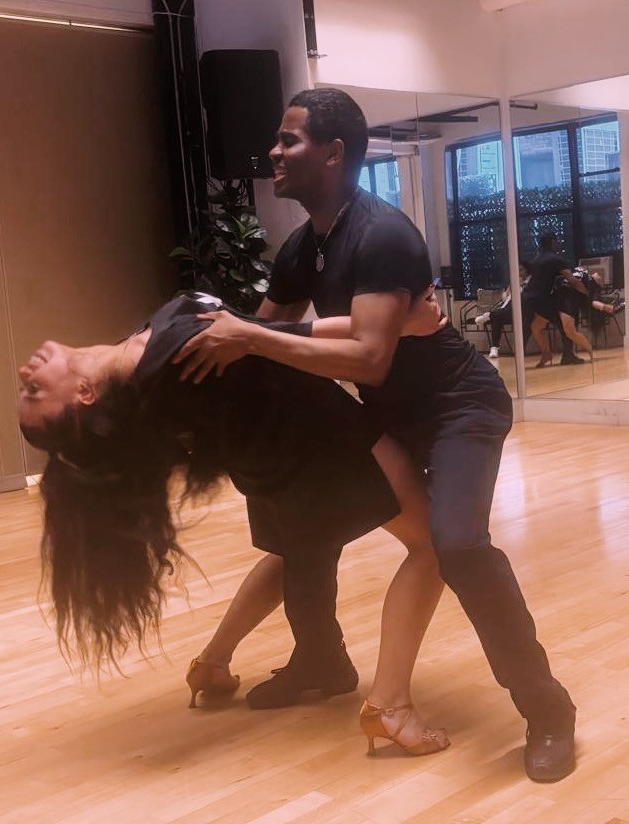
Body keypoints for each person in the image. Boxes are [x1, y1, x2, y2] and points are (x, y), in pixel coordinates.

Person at [173, 88, 576, 782]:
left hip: (457, 407)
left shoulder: (382, 235)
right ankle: (317, 664)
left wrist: (255, 337)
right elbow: (262, 336)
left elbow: (365, 357)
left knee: (456, 544)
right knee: (307, 527)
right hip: (389, 414)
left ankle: (548, 710)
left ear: (333, 154)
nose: (274, 152)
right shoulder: (305, 245)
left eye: (290, 140)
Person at [18, 291, 450, 757]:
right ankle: (391, 705)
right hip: (325, 443)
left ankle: (212, 662)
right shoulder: (172, 354)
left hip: (274, 458)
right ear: (85, 393)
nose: (25, 374)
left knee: (295, 554)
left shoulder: (139, 364)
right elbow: (279, 336)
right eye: (35, 391)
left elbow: (261, 334)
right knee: (435, 545)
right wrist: (397, 324)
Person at [523, 232, 591, 367]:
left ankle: (547, 354)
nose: (559, 244)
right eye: (557, 241)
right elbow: (572, 280)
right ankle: (572, 355)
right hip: (542, 298)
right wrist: (586, 294)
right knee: (566, 325)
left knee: (535, 326)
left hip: (528, 298)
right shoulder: (556, 259)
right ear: (553, 242)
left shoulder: (535, 259)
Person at [474, 262, 533, 358]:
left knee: (500, 313)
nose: (519, 273)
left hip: (523, 312)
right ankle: (494, 348)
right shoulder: (515, 282)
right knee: (497, 318)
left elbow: (526, 298)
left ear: (527, 270)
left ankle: (488, 315)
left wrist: (521, 285)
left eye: (521, 270)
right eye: (517, 270)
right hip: (507, 312)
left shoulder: (531, 282)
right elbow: (505, 299)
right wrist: (510, 287)